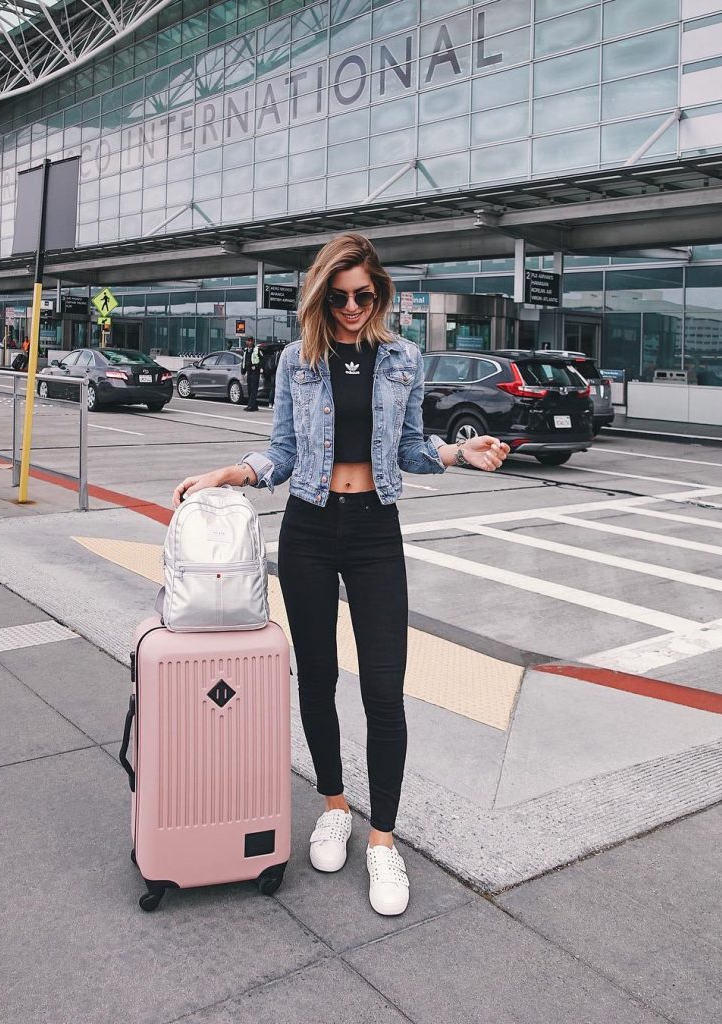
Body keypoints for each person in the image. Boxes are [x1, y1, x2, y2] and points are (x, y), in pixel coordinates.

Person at [172, 233, 509, 917]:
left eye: (363, 295)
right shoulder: (298, 360)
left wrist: (455, 452)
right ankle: (334, 805)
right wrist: (230, 473)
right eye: (338, 296)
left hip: (374, 530)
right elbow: (282, 452)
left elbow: (411, 449)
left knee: (384, 690)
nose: (352, 307)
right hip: (308, 528)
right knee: (318, 679)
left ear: (378, 293)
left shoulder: (402, 359)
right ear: (321, 297)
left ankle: (383, 842)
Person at [241, 335, 261, 411]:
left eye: (251, 341)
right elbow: (243, 361)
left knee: (253, 389)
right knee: (249, 389)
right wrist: (243, 371)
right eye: (248, 341)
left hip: (255, 372)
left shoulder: (257, 350)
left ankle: (251, 406)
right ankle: (254, 405)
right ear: (246, 342)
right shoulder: (245, 351)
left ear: (253, 342)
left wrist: (256, 367)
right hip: (249, 372)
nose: (250, 342)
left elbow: (262, 360)